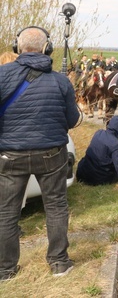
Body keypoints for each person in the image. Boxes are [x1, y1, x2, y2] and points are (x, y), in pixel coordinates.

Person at [0, 26, 80, 280]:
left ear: (18, 48)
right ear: (47, 49)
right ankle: (59, 263)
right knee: (55, 207)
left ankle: (5, 269)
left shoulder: (1, 75)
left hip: (10, 155)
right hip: (51, 154)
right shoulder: (60, 80)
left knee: (6, 212)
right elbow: (72, 119)